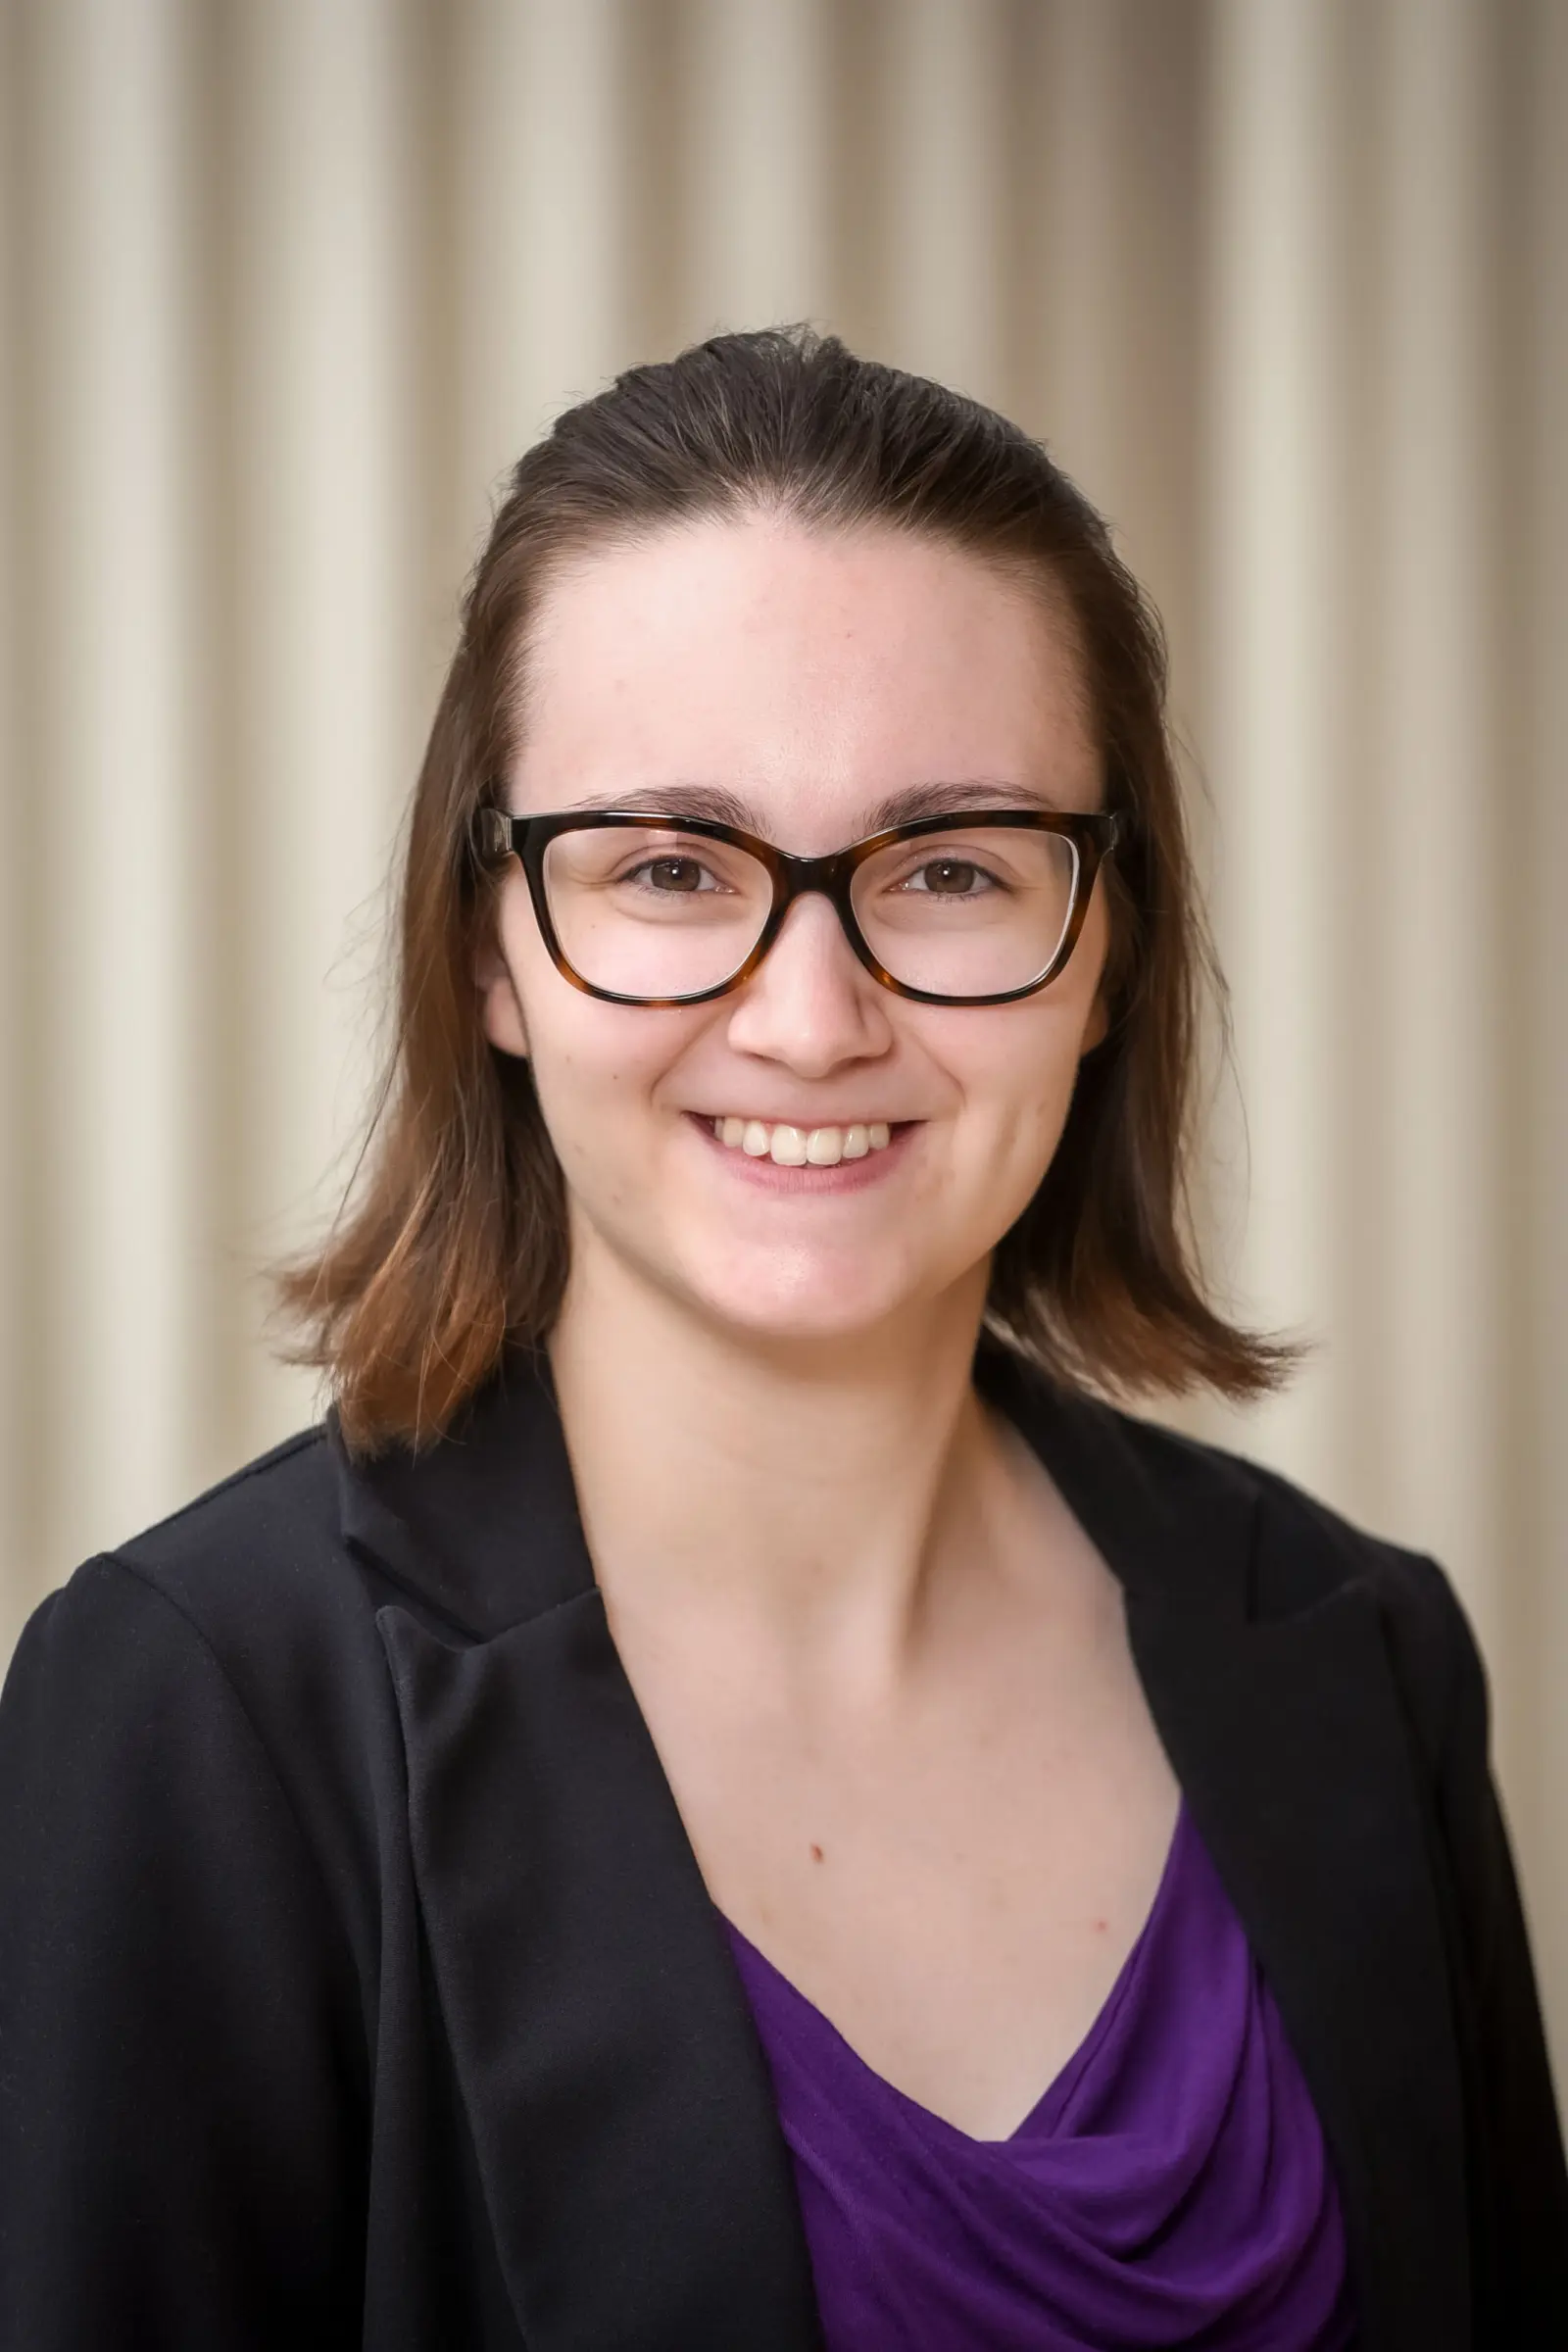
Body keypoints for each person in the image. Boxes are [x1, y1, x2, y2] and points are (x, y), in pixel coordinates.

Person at [1, 328, 1563, 2352]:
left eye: (947, 868)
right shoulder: (195, 1718)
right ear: (488, 945)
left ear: (1104, 955)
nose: (811, 1016)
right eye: (668, 867)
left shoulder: (1360, 1655)